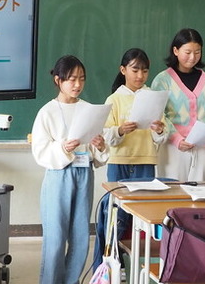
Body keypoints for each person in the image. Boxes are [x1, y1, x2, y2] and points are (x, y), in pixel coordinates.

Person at [31, 55, 109, 284]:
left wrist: (100, 146)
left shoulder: (89, 109)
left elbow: (98, 153)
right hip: (59, 176)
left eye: (81, 79)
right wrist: (62, 148)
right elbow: (40, 151)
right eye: (71, 79)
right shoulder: (47, 112)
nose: (77, 84)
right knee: (55, 238)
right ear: (58, 80)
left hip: (84, 174)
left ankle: (71, 281)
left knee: (81, 237)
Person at [151, 28, 205, 181]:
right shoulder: (162, 80)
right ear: (176, 51)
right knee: (173, 190)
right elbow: (159, 115)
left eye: (197, 52)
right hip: (172, 148)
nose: (192, 57)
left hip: (202, 148)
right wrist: (177, 139)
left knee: (200, 191)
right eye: (187, 52)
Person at [104, 47, 168, 181]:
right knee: (117, 195)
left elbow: (162, 136)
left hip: (146, 160)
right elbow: (106, 135)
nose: (140, 76)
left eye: (145, 71)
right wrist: (120, 130)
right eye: (135, 70)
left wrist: (159, 130)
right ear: (123, 70)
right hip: (118, 161)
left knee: (144, 195)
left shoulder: (153, 98)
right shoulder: (114, 99)